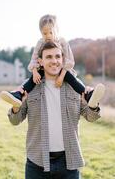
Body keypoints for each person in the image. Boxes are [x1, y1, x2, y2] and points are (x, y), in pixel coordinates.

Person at [8, 41, 102, 179]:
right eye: (49, 57)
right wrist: (16, 106)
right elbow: (15, 121)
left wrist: (92, 106)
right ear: (40, 61)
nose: (54, 61)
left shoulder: (74, 86)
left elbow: (91, 117)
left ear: (63, 59)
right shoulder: (29, 87)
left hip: (69, 162)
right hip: (37, 162)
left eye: (57, 57)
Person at [1, 14, 105, 109]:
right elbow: (34, 58)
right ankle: (19, 95)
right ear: (41, 32)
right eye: (44, 33)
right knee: (32, 80)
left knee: (73, 79)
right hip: (44, 69)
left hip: (63, 69)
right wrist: (34, 71)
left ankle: (87, 95)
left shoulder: (62, 41)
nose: (48, 36)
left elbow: (69, 61)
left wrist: (61, 76)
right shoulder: (40, 42)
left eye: (51, 32)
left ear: (56, 30)